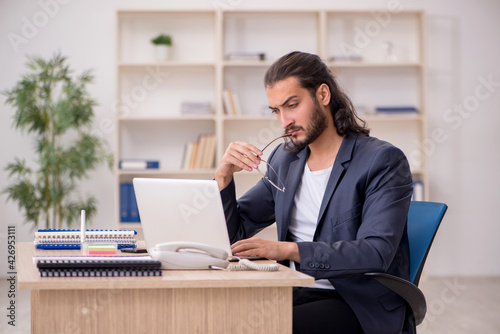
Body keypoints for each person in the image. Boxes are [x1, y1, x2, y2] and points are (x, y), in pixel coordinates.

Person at [215, 51, 414, 334]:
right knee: (217, 318)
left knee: (264, 328)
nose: (284, 121)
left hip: (357, 303)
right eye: (276, 111)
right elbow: (236, 234)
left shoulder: (381, 160)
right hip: (297, 291)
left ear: (323, 94)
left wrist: (287, 250)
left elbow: (375, 251)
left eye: (292, 105)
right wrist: (222, 177)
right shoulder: (286, 159)